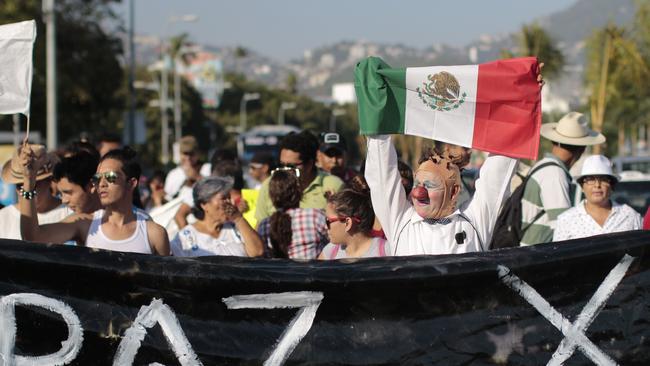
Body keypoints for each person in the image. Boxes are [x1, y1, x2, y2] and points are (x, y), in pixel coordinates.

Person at [365, 133, 517, 255]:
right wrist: (377, 122)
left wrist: (512, 117)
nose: (418, 193)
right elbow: (382, 175)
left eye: (429, 185)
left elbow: (498, 171)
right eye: (417, 184)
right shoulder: (400, 222)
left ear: (453, 192)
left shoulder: (475, 221)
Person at [19, 145, 170, 255]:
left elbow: (167, 290)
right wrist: (29, 180)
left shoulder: (154, 234)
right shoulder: (84, 224)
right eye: (97, 178)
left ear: (131, 183)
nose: (102, 184)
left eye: (110, 177)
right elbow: (32, 237)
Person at [520, 112, 605, 246]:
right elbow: (566, 227)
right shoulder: (554, 174)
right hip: (536, 259)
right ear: (582, 149)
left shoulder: (544, 167)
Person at [255, 131, 344, 223]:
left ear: (309, 164)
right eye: (282, 165)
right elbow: (260, 227)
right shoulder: (269, 185)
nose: (286, 170)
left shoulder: (333, 186)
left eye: (291, 166)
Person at [170, 177, 264, 257]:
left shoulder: (236, 228)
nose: (229, 203)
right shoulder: (185, 238)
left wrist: (238, 218)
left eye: (229, 198)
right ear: (204, 204)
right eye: (223, 198)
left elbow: (257, 252)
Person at [553, 155, 641, 241]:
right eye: (590, 179)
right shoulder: (566, 220)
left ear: (611, 186)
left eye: (603, 180)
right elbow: (557, 255)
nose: (597, 185)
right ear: (582, 187)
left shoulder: (629, 216)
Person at [0, 145, 72, 240]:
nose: (25, 189)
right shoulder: (3, 217)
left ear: (49, 180)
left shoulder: (71, 213)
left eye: (33, 184)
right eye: (19, 185)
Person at [257, 169, 329, 259]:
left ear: (271, 196)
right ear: (299, 191)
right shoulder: (314, 217)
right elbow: (337, 241)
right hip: (310, 272)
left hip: (276, 272)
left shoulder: (264, 225)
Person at [318, 186, 389, 260]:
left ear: (348, 223)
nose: (326, 227)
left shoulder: (386, 252)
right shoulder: (330, 253)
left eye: (328, 221)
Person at [163, 135, 210, 201]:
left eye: (191, 154)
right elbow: (167, 198)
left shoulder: (207, 168)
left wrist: (197, 177)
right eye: (185, 154)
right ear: (180, 154)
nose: (188, 158)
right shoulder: (173, 174)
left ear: (198, 153)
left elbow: (213, 192)